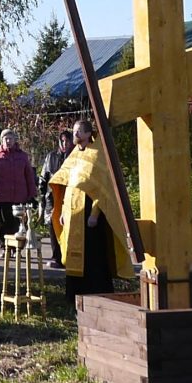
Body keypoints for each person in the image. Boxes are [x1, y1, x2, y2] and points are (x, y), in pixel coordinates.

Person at [48, 118, 129, 297]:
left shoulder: (97, 154)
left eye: (78, 132)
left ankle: (96, 292)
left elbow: (102, 189)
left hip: (90, 215)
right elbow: (66, 182)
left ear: (87, 133)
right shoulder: (75, 153)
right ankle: (74, 293)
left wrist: (94, 214)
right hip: (72, 213)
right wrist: (62, 210)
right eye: (74, 131)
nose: (74, 135)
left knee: (93, 256)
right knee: (72, 253)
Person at [0, 128, 36, 240]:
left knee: (18, 223)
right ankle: (4, 246)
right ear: (2, 141)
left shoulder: (22, 156)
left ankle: (17, 248)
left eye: (10, 138)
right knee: (4, 223)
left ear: (14, 140)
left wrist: (32, 193)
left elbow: (29, 176)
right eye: (6, 139)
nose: (8, 141)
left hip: (20, 195)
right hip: (3, 196)